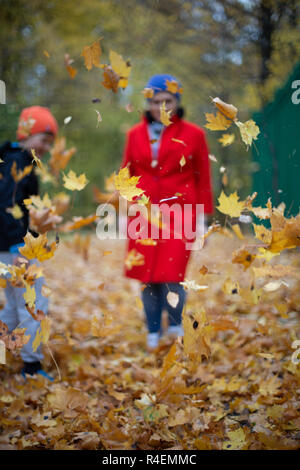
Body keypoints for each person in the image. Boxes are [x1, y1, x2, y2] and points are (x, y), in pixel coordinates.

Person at [120, 74, 214, 351]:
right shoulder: (134, 135)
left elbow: (203, 178)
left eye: (167, 101)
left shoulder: (194, 135)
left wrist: (202, 221)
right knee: (147, 277)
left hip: (181, 213)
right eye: (155, 101)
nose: (162, 106)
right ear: (147, 104)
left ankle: (174, 329)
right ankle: (152, 333)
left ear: (177, 101)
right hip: (143, 214)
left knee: (172, 275)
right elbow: (126, 174)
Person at [0, 106, 58, 379]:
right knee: (34, 305)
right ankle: (32, 368)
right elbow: (8, 207)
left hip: (9, 247)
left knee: (13, 305)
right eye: (43, 140)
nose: (46, 147)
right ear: (27, 133)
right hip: (14, 248)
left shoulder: (13, 158)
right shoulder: (18, 162)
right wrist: (17, 248)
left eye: (50, 142)